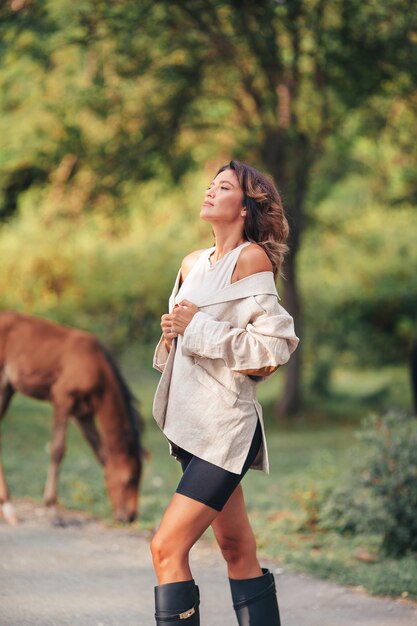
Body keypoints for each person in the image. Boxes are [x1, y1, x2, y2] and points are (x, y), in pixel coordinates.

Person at [151, 160, 299, 625]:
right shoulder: (192, 264)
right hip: (193, 426)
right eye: (210, 184)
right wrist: (174, 332)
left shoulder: (251, 259)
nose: (210, 192)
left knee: (165, 548)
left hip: (224, 428)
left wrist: (195, 329)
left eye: (224, 186)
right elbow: (188, 339)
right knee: (237, 550)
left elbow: (273, 349)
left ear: (246, 206)